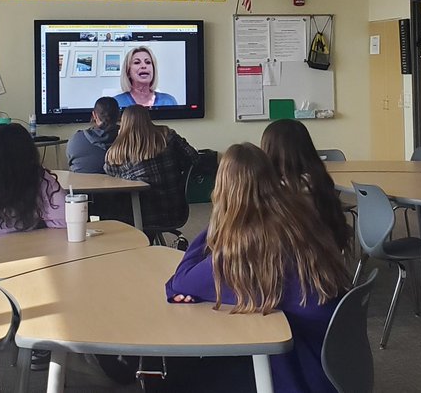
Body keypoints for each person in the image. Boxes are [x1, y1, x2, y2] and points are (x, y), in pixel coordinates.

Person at [165, 143, 350, 393]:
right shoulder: (299, 214)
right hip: (330, 354)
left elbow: (182, 281)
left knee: (182, 376)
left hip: (297, 368)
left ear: (223, 188)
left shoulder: (244, 246)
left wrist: (217, 224)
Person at [260, 119, 351, 253]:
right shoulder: (318, 179)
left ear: (270, 150)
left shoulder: (277, 189)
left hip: (297, 260)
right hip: (327, 256)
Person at [102, 105, 195, 232]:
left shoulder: (117, 151)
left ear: (123, 122)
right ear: (148, 118)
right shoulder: (167, 135)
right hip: (174, 210)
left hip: (137, 215)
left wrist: (119, 138)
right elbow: (193, 157)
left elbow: (109, 173)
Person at [68, 96, 121, 174]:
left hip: (82, 185)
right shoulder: (131, 140)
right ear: (119, 114)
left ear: (94, 115)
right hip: (119, 186)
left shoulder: (76, 140)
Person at [113, 46, 178, 107]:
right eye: (137, 62)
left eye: (148, 62)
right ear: (128, 72)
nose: (144, 66)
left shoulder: (169, 101)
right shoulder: (116, 103)